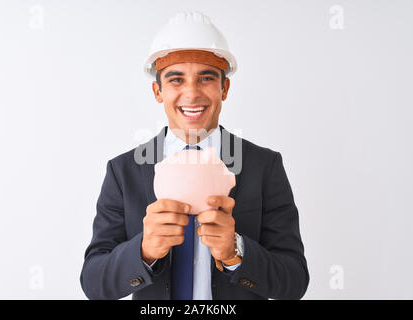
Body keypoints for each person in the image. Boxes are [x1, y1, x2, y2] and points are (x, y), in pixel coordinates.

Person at [80, 11, 309, 300]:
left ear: (224, 88)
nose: (191, 94)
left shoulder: (264, 166)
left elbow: (294, 281)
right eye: (176, 80)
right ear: (157, 91)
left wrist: (236, 252)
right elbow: (94, 282)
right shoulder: (123, 170)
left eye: (206, 78)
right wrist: (144, 249)